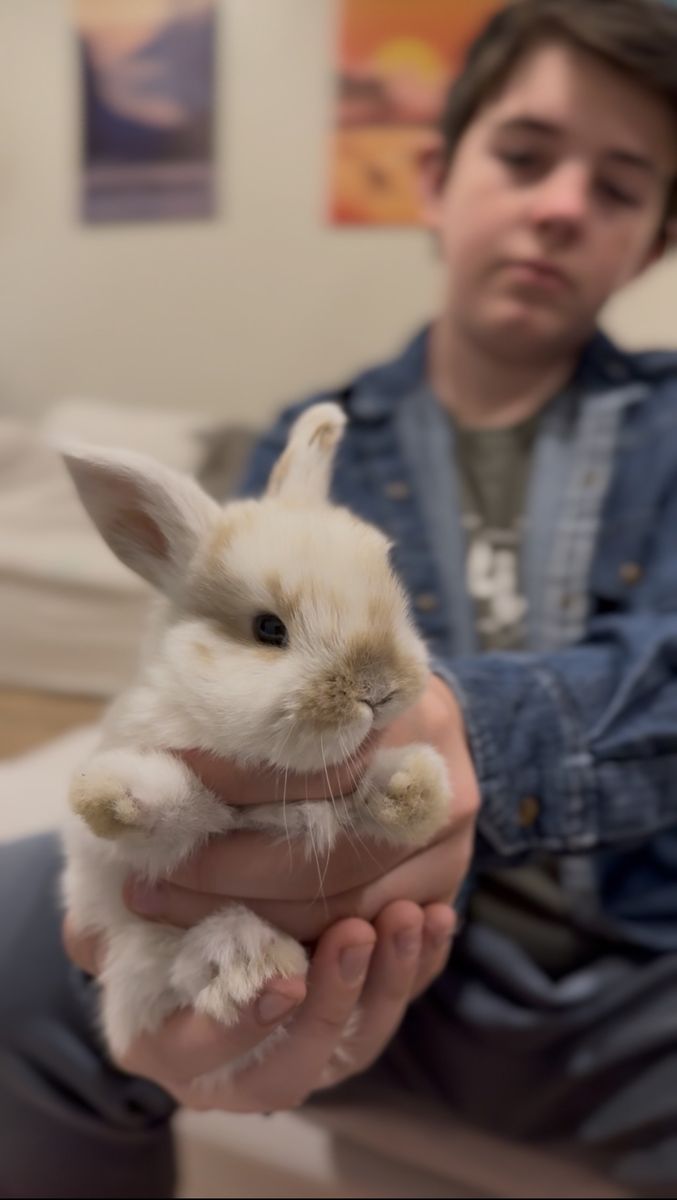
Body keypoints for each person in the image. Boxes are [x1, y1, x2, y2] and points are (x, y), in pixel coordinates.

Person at [3, 0, 677, 1195]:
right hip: (349, 947)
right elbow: (189, 690)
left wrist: (477, 736)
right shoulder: (313, 445)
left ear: (651, 244)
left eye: (619, 188)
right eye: (524, 156)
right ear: (435, 176)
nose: (562, 205)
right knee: (16, 927)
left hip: (639, 974)